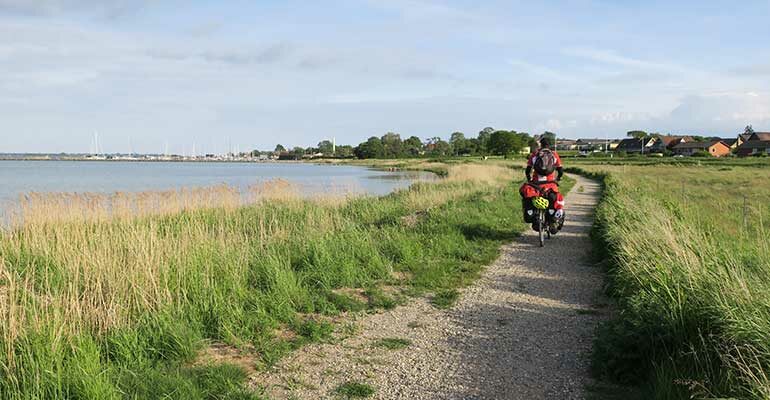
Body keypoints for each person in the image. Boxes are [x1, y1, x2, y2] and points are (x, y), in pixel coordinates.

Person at [519, 137, 565, 234]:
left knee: (529, 197)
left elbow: (528, 170)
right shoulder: (554, 155)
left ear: (540, 145)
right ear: (549, 145)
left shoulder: (535, 155)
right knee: (553, 199)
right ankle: (552, 219)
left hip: (536, 185)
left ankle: (535, 218)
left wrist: (530, 179)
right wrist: (558, 179)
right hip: (550, 184)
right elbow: (560, 171)